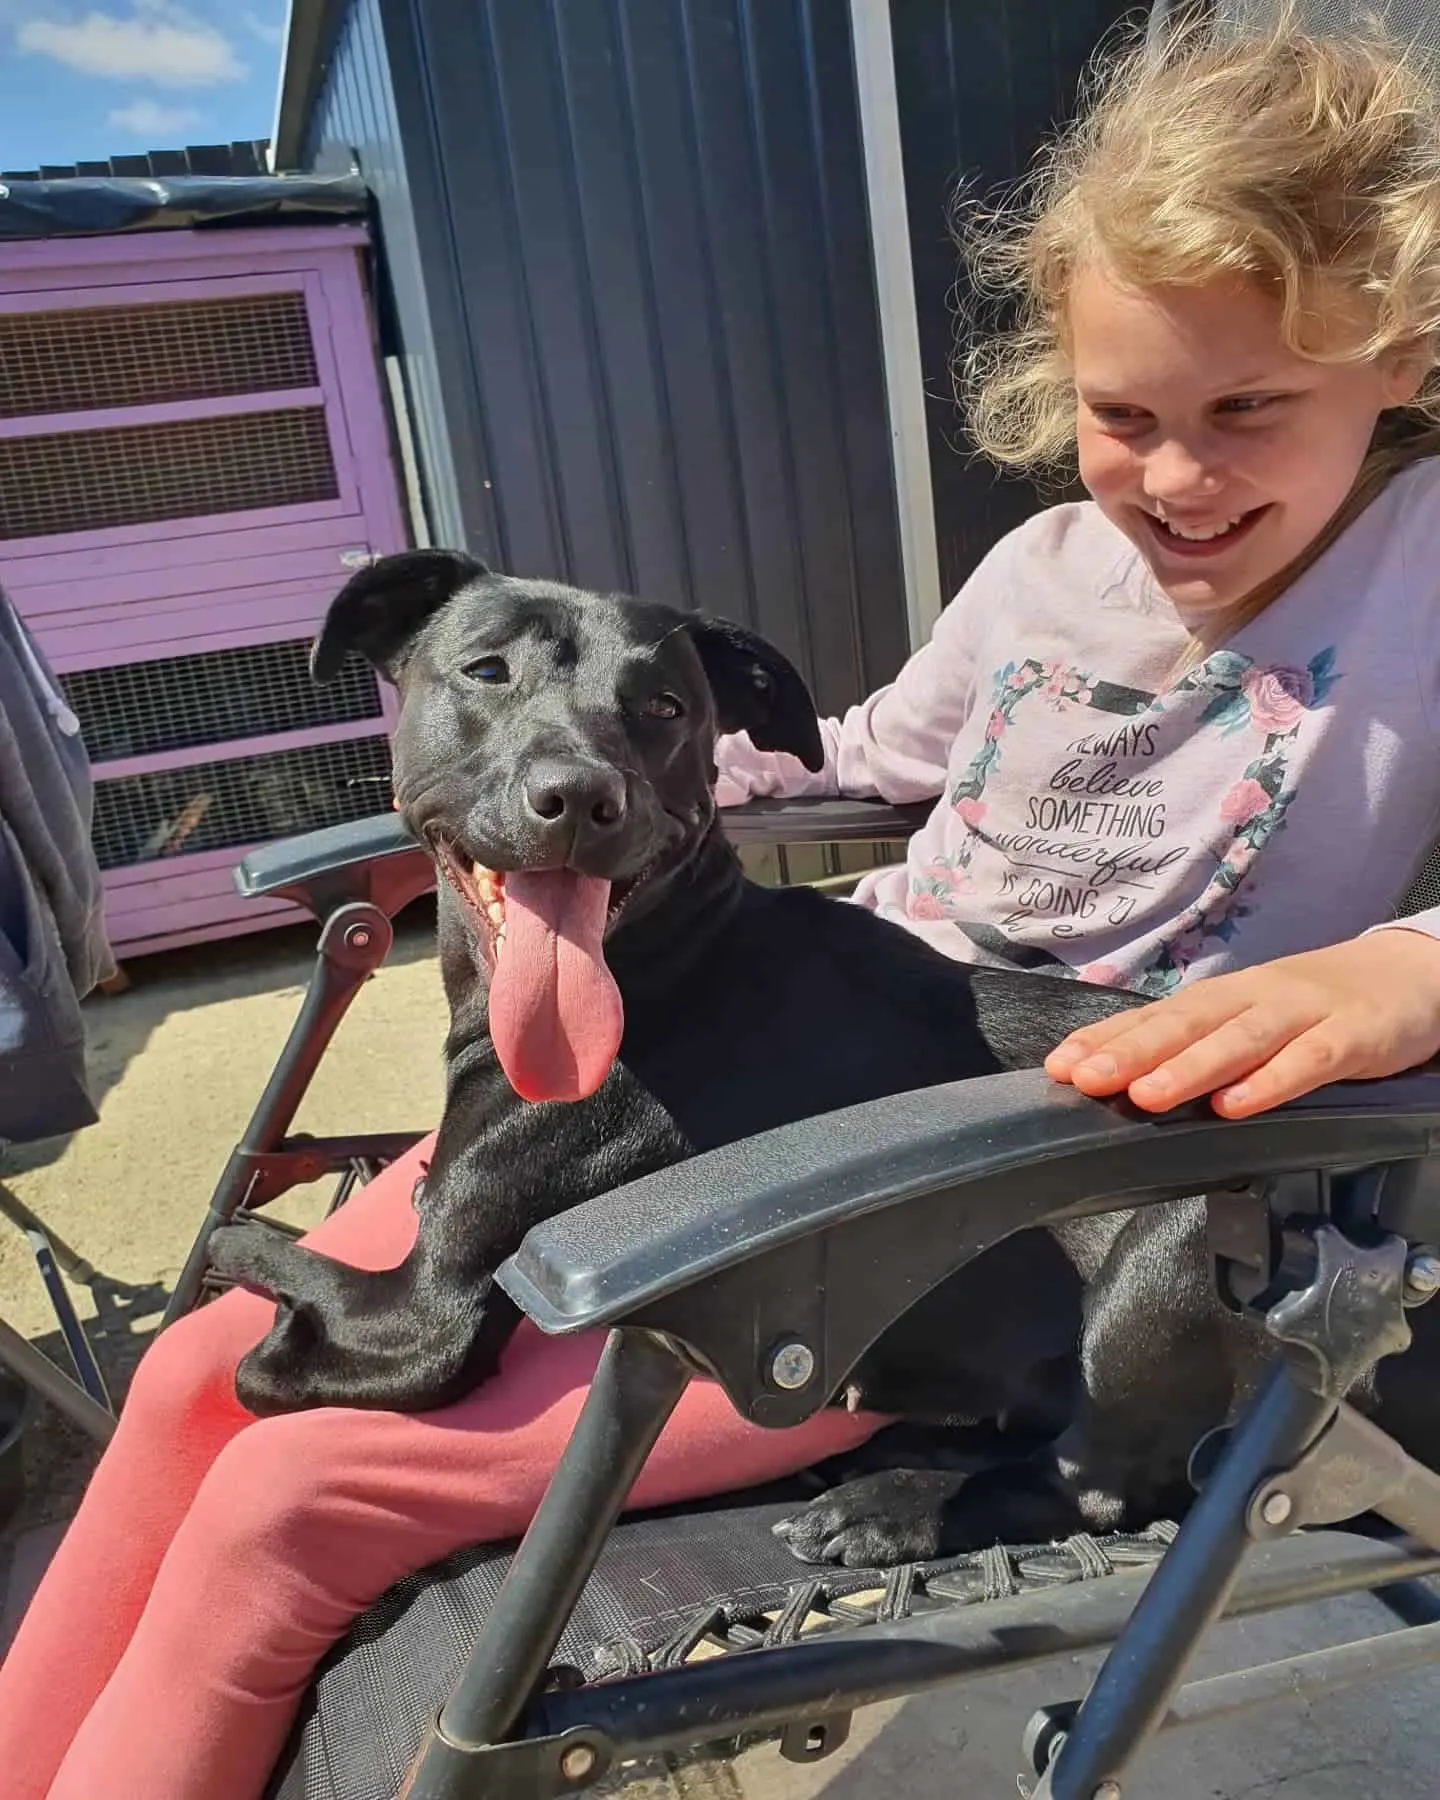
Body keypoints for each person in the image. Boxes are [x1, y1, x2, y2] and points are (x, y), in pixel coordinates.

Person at [8, 15, 1440, 1797]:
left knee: (293, 1503)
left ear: (1404, 348)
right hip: (768, 1033)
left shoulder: (1429, 575)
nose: (1173, 476)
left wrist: (1409, 967)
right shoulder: (1053, 568)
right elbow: (855, 755)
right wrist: (634, 757)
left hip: (982, 1186)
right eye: (1120, 414)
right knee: (183, 1387)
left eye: (1248, 411)